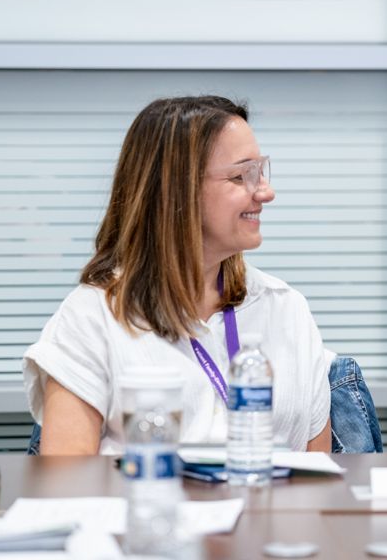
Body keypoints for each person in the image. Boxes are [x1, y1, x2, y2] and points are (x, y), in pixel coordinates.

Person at [23, 96, 333, 455]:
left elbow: (317, 484)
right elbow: (67, 489)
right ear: (176, 191)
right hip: (146, 510)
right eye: (241, 176)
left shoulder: (286, 308)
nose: (265, 192)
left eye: (261, 171)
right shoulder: (92, 318)